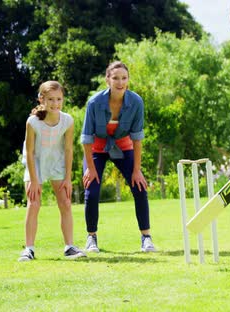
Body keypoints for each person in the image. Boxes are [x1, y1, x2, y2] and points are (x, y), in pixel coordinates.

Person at [81, 61, 156, 253]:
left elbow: (137, 139)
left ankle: (146, 237)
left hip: (123, 146)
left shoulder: (136, 102)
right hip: (97, 148)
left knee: (139, 187)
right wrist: (90, 168)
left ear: (128, 80)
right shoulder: (94, 102)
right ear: (107, 80)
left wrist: (137, 170)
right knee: (92, 190)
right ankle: (92, 238)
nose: (120, 82)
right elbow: (87, 138)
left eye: (124, 78)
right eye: (115, 78)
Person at [18, 81, 87, 262]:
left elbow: (69, 150)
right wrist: (33, 180)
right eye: (50, 99)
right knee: (34, 203)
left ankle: (70, 247)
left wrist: (67, 178)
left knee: (65, 202)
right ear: (42, 99)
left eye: (59, 99)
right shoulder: (32, 122)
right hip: (36, 163)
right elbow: (31, 152)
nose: (55, 103)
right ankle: (29, 249)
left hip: (57, 163)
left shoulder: (68, 120)